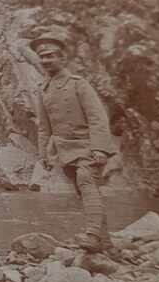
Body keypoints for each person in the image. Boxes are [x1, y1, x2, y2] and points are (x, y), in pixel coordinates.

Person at [31, 34, 116, 253]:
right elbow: (44, 127)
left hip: (88, 146)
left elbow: (98, 117)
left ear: (62, 59)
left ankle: (93, 236)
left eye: (50, 56)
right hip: (64, 150)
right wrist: (43, 156)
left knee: (87, 181)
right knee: (87, 192)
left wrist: (99, 148)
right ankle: (105, 243)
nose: (45, 60)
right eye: (42, 57)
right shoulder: (43, 90)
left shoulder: (79, 84)